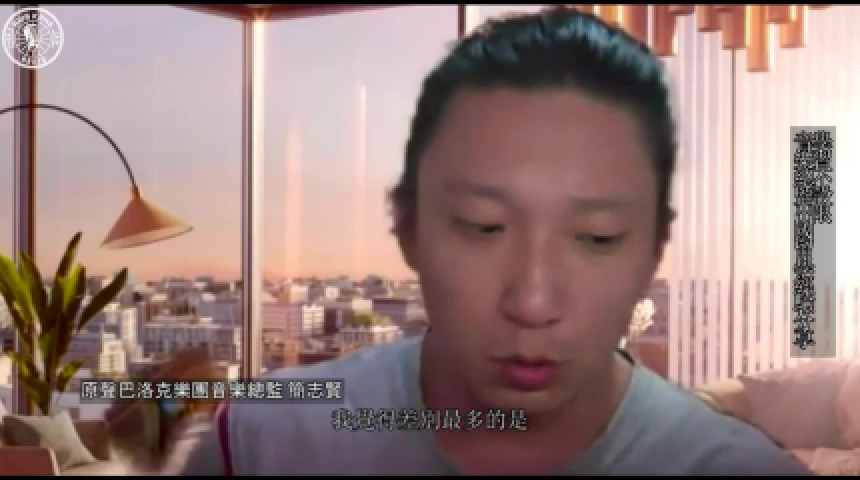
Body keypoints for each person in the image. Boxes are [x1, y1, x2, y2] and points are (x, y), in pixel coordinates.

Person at [173, 7, 811, 475]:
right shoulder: (263, 443)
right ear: (408, 226)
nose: (532, 301)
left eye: (598, 237)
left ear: (654, 248)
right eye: (483, 227)